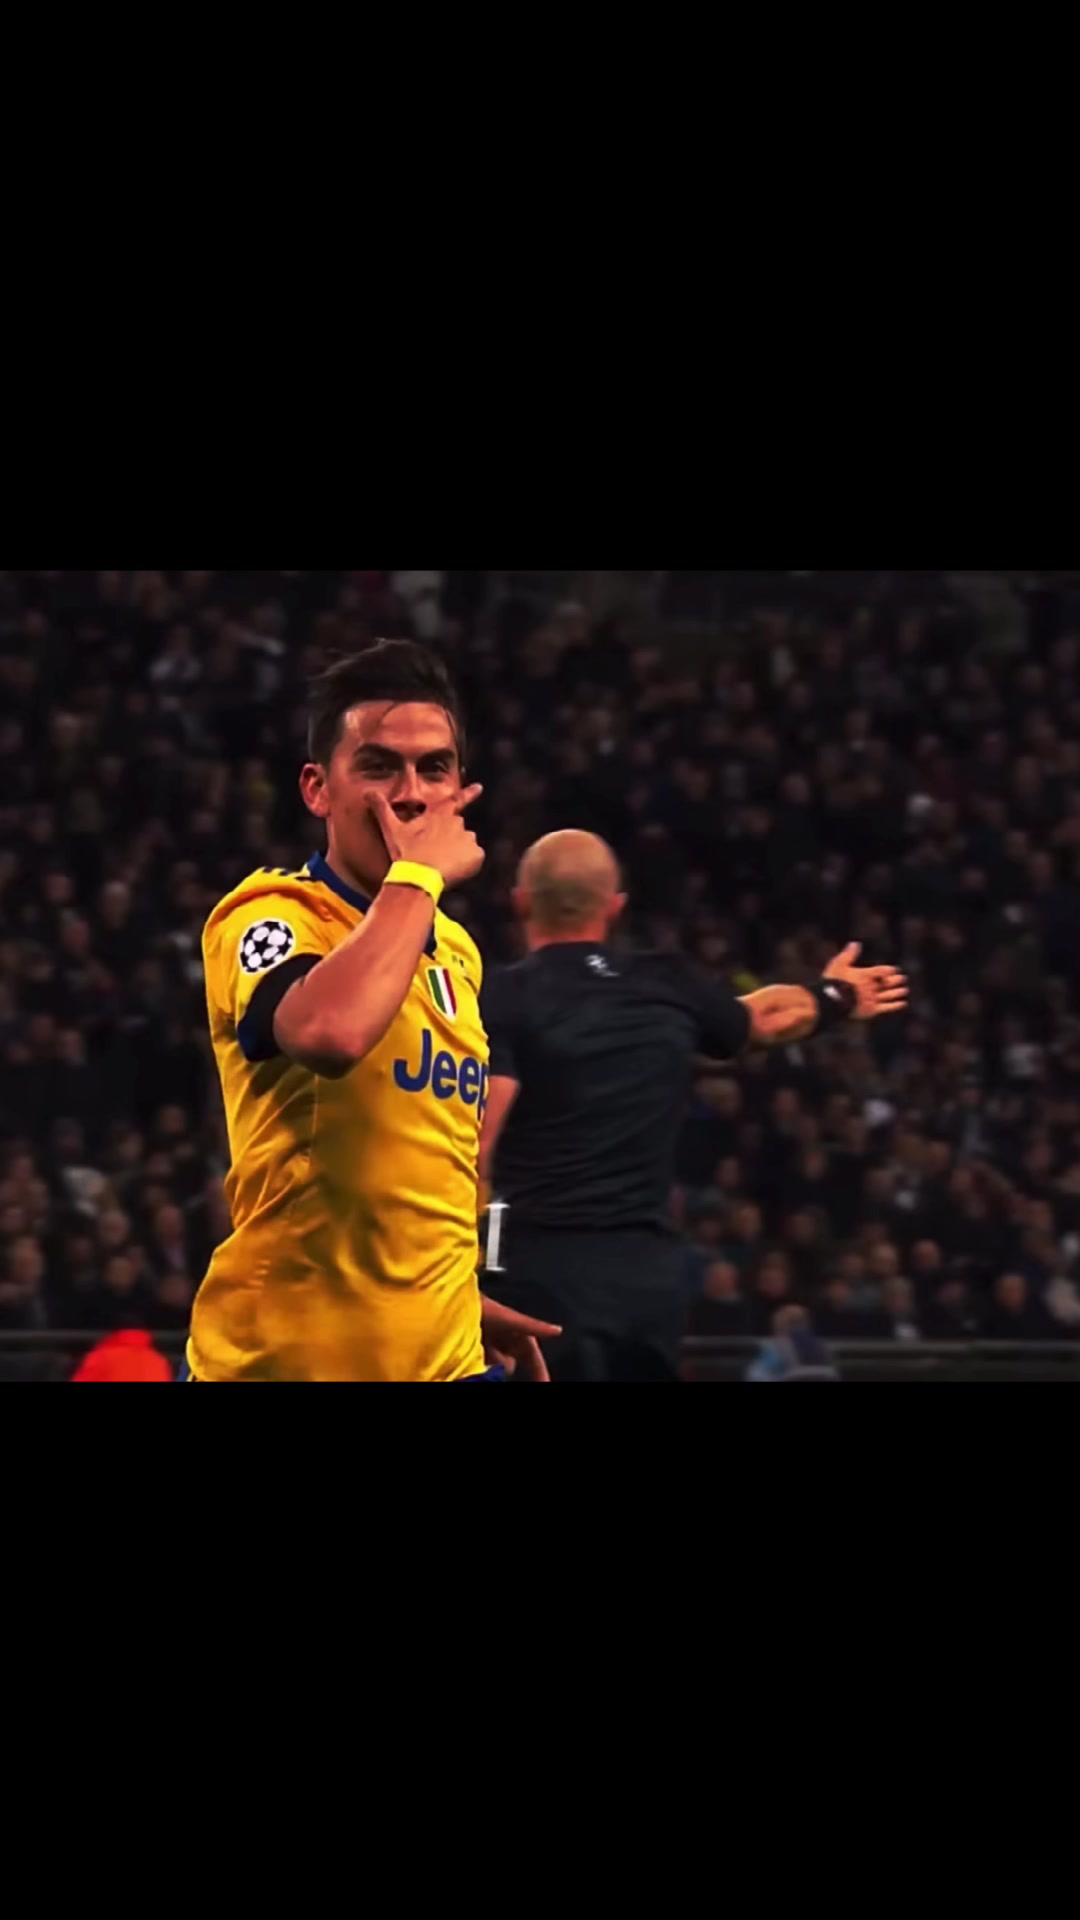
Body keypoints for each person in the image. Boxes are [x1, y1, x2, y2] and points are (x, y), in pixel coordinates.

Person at [185, 641, 558, 1382]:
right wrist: (417, 876)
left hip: (444, 1359)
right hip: (287, 1364)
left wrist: (453, 1300)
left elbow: (423, 1165)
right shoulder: (270, 916)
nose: (410, 795)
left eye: (435, 769)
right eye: (380, 767)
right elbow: (330, 1032)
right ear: (317, 789)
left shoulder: (456, 950)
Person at [479, 829, 908, 1383]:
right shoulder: (666, 981)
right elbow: (761, 1019)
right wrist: (835, 996)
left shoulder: (500, 998)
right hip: (647, 1280)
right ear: (615, 907)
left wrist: (467, 1268)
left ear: (519, 902)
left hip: (537, 1271)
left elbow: (477, 1146)